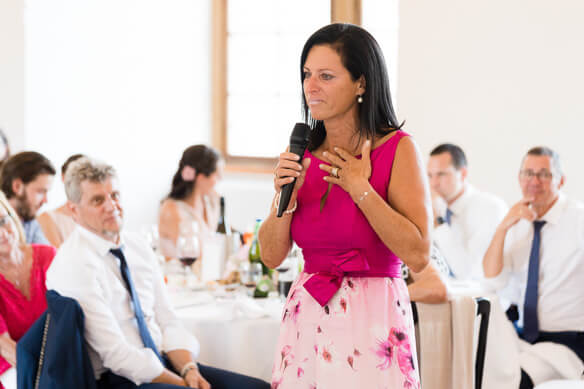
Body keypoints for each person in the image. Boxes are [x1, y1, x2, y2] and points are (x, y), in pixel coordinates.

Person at [259, 23, 431, 388]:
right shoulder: (301, 154)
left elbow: (418, 255)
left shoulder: (398, 149)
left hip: (374, 319)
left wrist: (360, 189)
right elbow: (272, 257)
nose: (311, 86)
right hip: (308, 315)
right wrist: (283, 194)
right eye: (306, 74)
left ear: (361, 84)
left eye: (325, 75)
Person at [46, 158, 268, 389]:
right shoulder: (74, 264)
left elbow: (167, 319)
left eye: (115, 195)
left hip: (163, 364)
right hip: (119, 379)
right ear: (74, 210)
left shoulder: (137, 246)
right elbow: (116, 355)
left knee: (256, 387)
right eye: (98, 200)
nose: (112, 206)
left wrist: (189, 370)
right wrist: (180, 384)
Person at [482, 146, 584, 388]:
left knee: (515, 380)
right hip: (521, 338)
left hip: (566, 342)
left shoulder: (578, 221)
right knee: (479, 369)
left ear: (561, 180)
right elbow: (492, 278)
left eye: (544, 174)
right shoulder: (516, 221)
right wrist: (503, 228)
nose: (534, 181)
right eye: (528, 173)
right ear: (519, 178)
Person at [0, 192, 56, 389]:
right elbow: (6, 348)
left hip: (60, 355)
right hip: (14, 369)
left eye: (3, 221)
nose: (3, 233)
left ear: (12, 216)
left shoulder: (48, 255)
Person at [428, 143, 507, 280]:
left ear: (463, 174)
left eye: (441, 174)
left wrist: (438, 223)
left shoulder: (489, 208)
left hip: (481, 297)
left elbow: (469, 272)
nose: (433, 183)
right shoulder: (436, 206)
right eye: (430, 175)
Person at [158, 145, 222, 262]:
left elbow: (213, 237)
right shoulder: (171, 210)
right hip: (178, 276)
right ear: (201, 178)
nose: (220, 179)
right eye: (217, 175)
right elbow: (195, 253)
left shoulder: (208, 202)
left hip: (202, 274)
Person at [0, 151, 56, 244]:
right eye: (41, 192)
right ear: (17, 186)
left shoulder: (30, 223)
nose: (46, 201)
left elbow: (50, 256)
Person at [37, 154, 85, 247]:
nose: (82, 183)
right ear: (63, 178)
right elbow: (57, 258)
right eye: (76, 177)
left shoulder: (101, 215)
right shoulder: (47, 218)